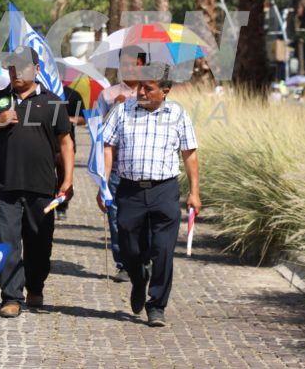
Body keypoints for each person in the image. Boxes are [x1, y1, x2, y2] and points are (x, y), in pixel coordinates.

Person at [0, 46, 74, 318]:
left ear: (37, 69)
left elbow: (66, 142)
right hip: (5, 187)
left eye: (23, 67)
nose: (17, 72)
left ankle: (36, 285)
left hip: (42, 187)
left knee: (40, 243)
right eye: (13, 67)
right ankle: (11, 297)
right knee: (7, 244)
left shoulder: (52, 103)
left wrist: (68, 178)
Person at [101, 62, 201, 328]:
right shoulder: (122, 111)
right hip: (130, 191)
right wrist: (103, 183)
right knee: (130, 249)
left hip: (164, 191)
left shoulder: (178, 115)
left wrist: (194, 192)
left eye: (148, 88)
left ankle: (157, 305)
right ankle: (138, 279)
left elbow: (189, 155)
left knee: (163, 250)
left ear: (165, 90)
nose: (141, 92)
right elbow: (108, 147)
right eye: (140, 87)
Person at [93, 47, 147, 283]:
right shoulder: (107, 95)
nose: (129, 68)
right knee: (115, 217)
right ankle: (123, 263)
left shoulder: (152, 93)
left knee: (144, 218)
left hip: (142, 165)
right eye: (124, 64)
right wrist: (116, 107)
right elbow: (96, 130)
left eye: (134, 63)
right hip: (115, 166)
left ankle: (144, 259)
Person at [54, 84, 85, 222]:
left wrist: (70, 119)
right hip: (44, 144)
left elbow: (84, 119)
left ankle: (62, 207)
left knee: (63, 177)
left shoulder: (73, 94)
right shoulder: (39, 93)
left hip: (66, 144)